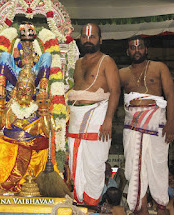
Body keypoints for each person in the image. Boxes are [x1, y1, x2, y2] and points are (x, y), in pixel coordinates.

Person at [119, 35, 174, 215]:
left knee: (158, 165)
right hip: (132, 123)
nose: (137, 51)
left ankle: (161, 206)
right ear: (128, 51)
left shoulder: (159, 67)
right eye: (133, 48)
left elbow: (171, 95)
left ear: (146, 49)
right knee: (134, 167)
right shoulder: (122, 73)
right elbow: (111, 94)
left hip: (156, 121)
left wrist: (171, 124)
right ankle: (140, 208)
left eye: (140, 47)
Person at [68, 23, 121, 205]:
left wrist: (108, 119)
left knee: (94, 165)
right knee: (75, 165)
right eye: (84, 36)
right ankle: (80, 204)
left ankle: (92, 204)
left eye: (92, 37)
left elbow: (115, 91)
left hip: (97, 116)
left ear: (100, 39)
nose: (87, 40)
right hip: (75, 117)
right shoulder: (77, 63)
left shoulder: (107, 61)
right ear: (80, 39)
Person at [0, 65, 53, 193]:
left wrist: (45, 110)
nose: (24, 92)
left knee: (42, 150)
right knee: (1, 146)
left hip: (33, 149)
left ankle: (27, 185)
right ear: (15, 91)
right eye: (20, 89)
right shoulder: (9, 109)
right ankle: (3, 185)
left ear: (34, 91)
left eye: (28, 89)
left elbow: (48, 133)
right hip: (10, 148)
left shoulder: (38, 110)